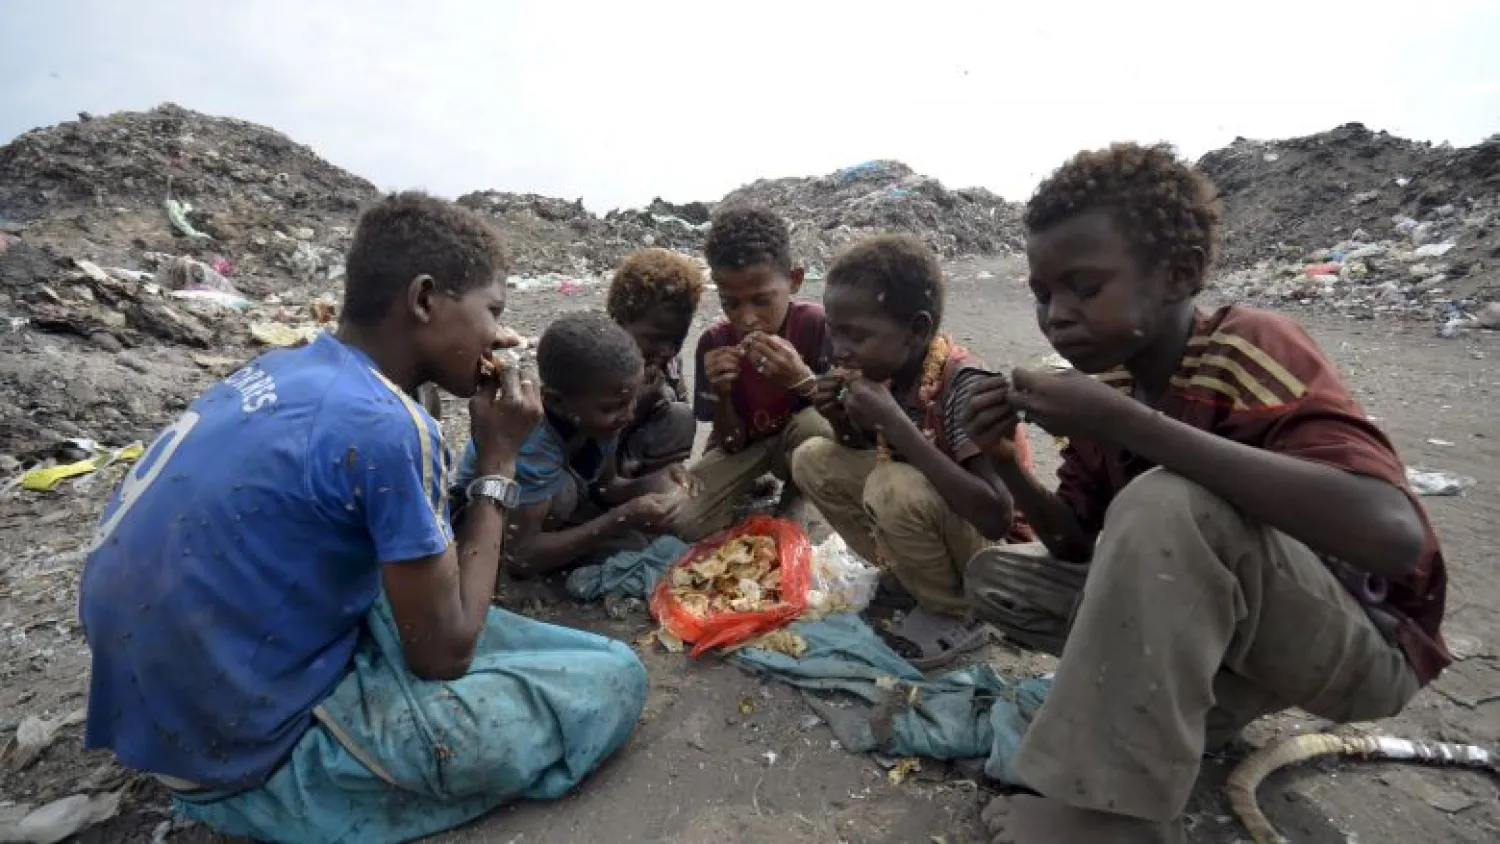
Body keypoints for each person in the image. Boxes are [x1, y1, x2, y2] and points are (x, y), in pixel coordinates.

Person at [78, 193, 648, 844]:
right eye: (493, 312)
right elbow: (445, 654)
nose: (500, 337)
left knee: (549, 640)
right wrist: (499, 457)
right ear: (425, 299)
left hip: (164, 706)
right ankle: (310, 797)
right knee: (614, 679)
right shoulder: (385, 427)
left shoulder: (291, 366)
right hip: (240, 756)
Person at [959, 144, 1450, 844]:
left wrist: (1131, 425)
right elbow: (1075, 544)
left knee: (1168, 503)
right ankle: (1198, 712)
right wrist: (1008, 462)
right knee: (1001, 577)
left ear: (1179, 275)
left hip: (1365, 644)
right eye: (1043, 295)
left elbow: (1392, 534)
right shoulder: (1113, 394)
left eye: (1085, 288)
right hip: (1253, 625)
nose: (1056, 316)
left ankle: (1117, 816)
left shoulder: (1247, 346)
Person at [787, 234, 1036, 669]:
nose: (839, 349)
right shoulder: (883, 371)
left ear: (917, 330)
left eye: (856, 335)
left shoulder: (965, 384)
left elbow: (996, 516)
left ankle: (956, 611)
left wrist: (898, 426)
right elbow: (867, 452)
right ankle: (909, 581)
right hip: (935, 516)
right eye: (834, 330)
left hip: (997, 559)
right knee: (812, 457)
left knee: (893, 486)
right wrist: (842, 419)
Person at [454, 312, 686, 576]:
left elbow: (606, 487)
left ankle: (564, 539)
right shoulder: (532, 441)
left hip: (540, 509)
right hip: (482, 523)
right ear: (556, 402)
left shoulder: (603, 414)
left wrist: (654, 483)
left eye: (632, 400)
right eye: (613, 407)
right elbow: (519, 557)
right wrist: (621, 518)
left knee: (636, 542)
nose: (629, 414)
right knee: (567, 494)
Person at [675, 205, 835, 539]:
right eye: (731, 303)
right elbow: (729, 441)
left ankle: (797, 497)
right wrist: (722, 394)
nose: (747, 319)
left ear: (793, 281)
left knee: (815, 424)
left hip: (803, 442)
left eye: (762, 300)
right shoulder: (714, 343)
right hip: (747, 446)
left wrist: (802, 379)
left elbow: (849, 412)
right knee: (683, 520)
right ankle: (753, 488)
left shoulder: (815, 325)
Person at [605, 247, 705, 479]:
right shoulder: (598, 362)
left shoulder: (668, 364)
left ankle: (655, 483)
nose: (667, 350)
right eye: (654, 338)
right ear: (619, 321)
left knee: (679, 414)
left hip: (635, 461)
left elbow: (681, 415)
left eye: (676, 340)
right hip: (592, 473)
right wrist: (636, 408)